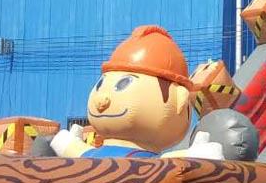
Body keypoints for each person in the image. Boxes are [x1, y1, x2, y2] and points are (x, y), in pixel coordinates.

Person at [50, 26, 223, 160]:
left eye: (123, 84)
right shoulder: (152, 164)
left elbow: (71, 149)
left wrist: (68, 143)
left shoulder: (148, 163)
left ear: (180, 100)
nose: (103, 99)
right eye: (101, 83)